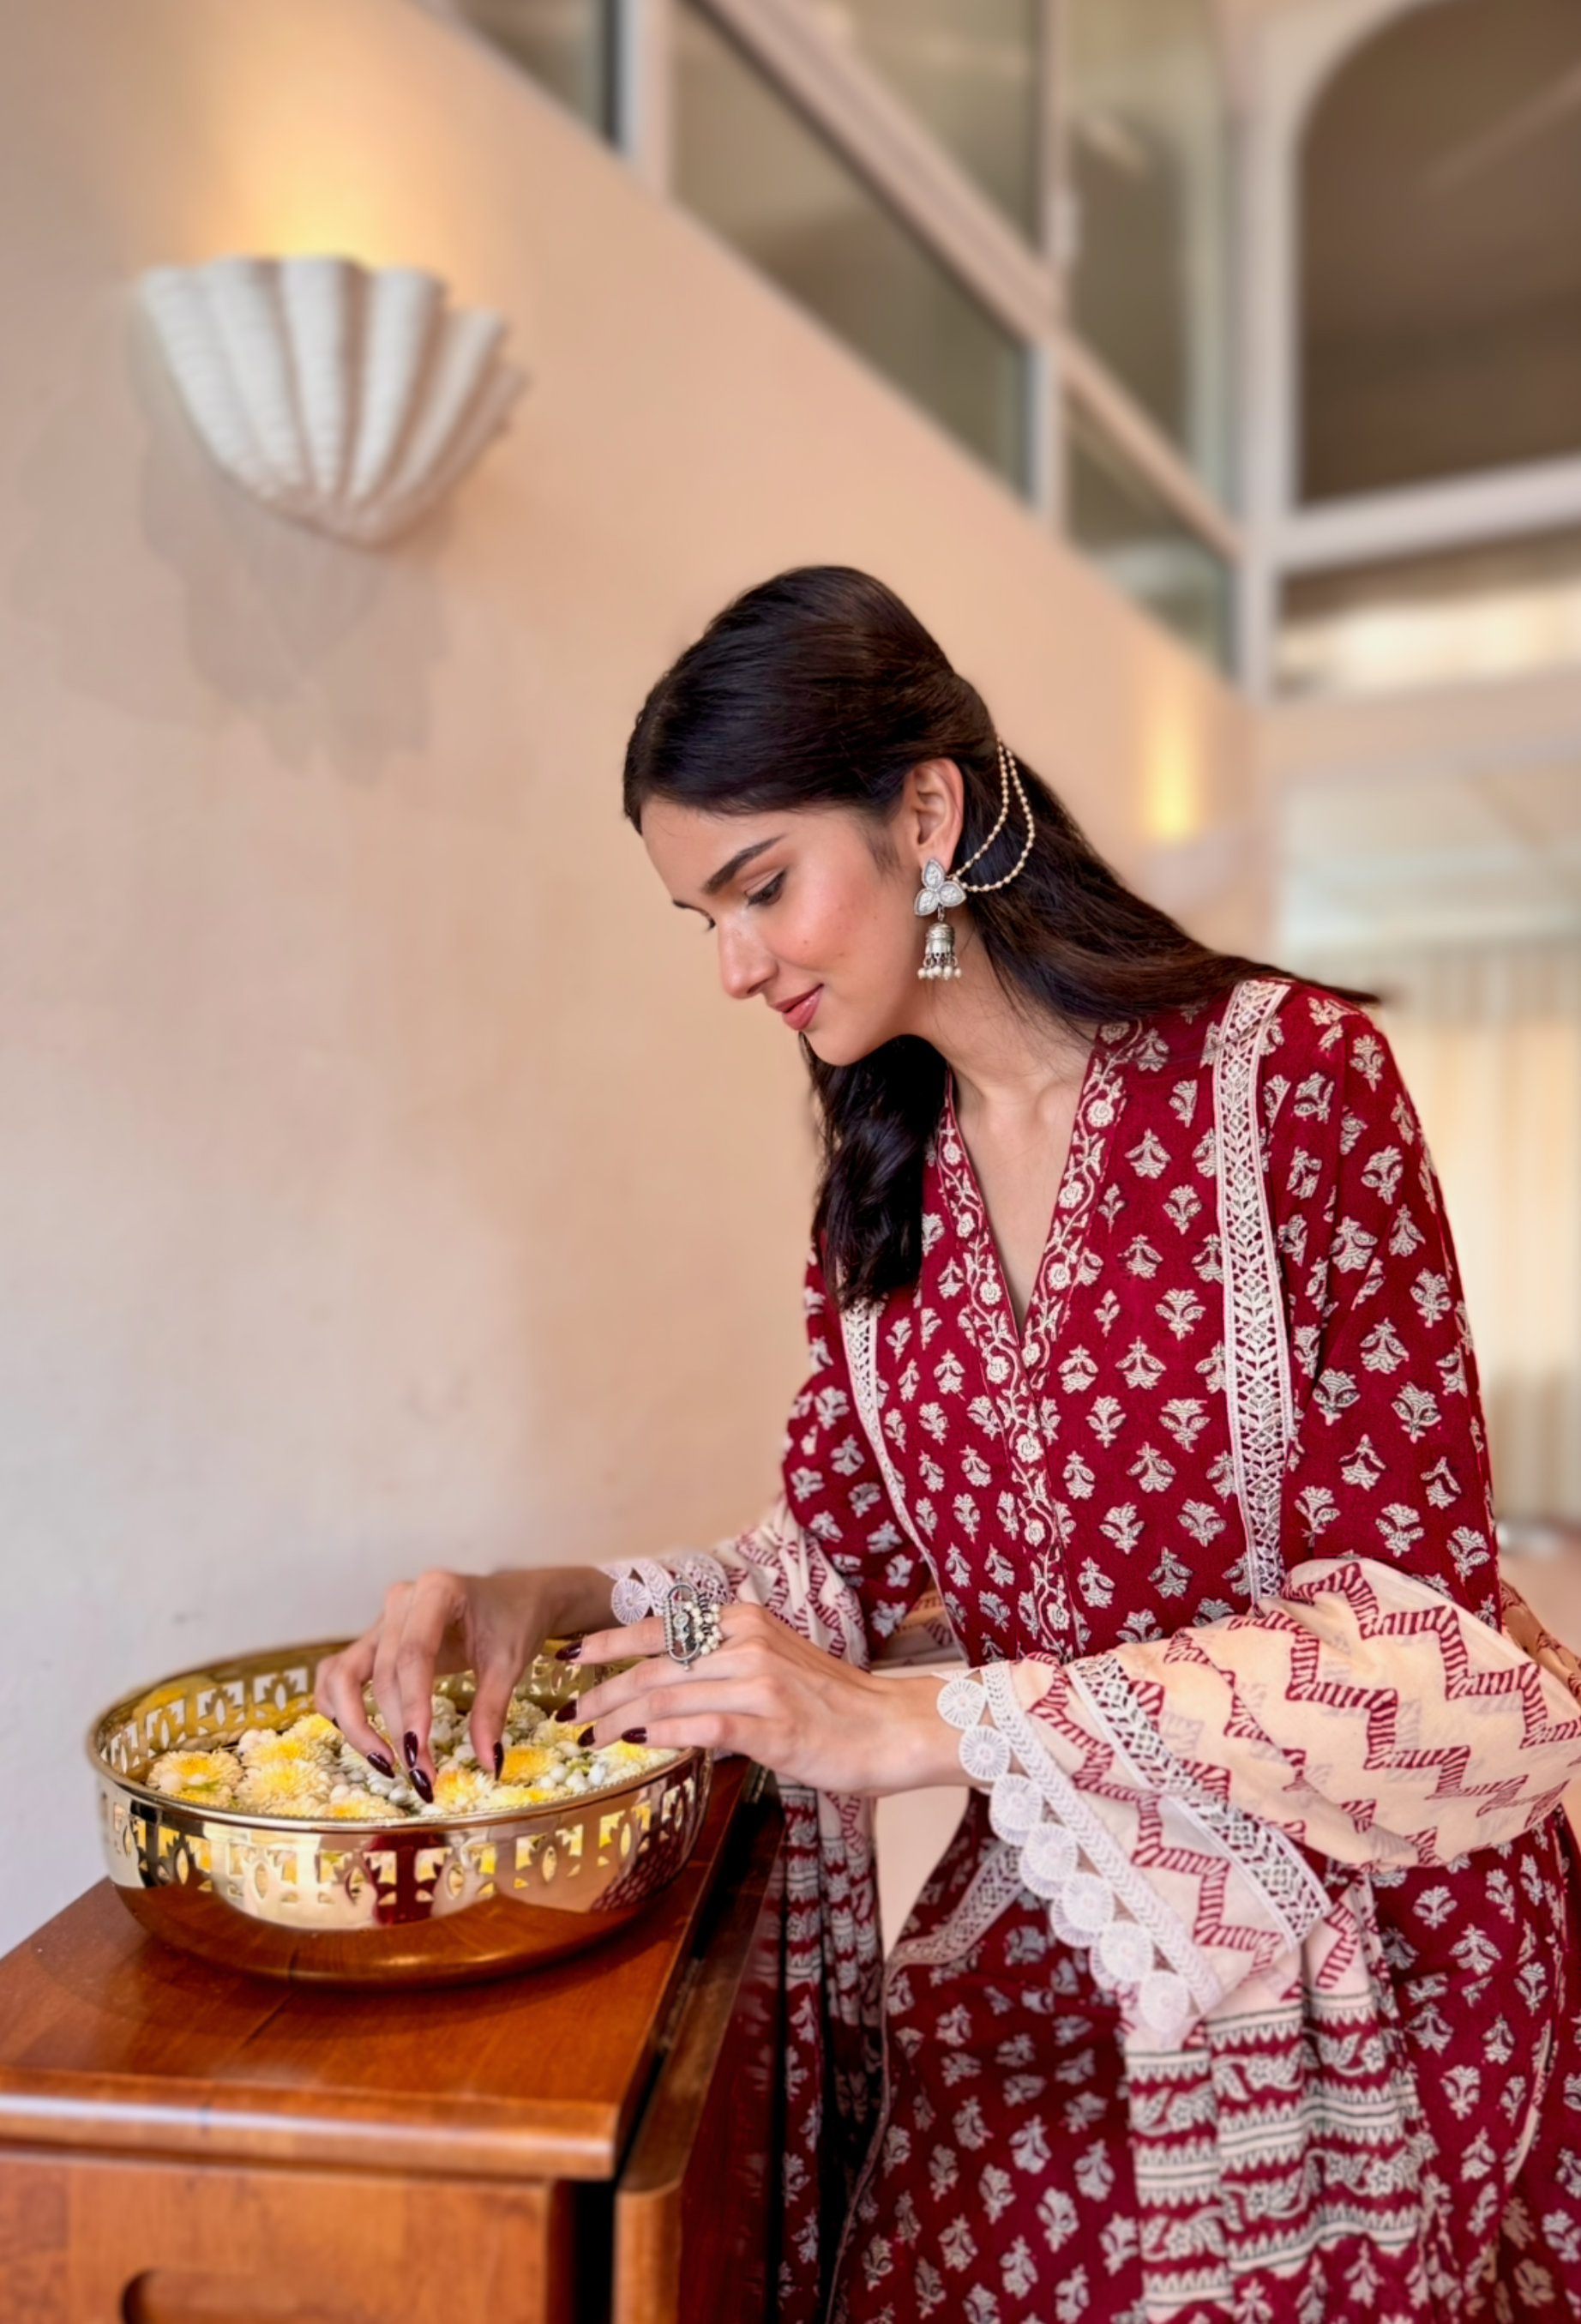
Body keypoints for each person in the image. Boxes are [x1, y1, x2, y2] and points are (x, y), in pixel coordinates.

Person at [318, 567, 1581, 2323]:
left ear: (926, 806)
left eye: (760, 886)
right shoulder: (878, 1180)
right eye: (699, 915)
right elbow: (827, 1587)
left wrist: (929, 1719)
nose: (736, 964)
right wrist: (567, 1602)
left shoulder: (1287, 1082)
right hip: (1052, 1951)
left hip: (1351, 1974)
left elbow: (1429, 1641)